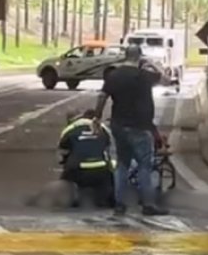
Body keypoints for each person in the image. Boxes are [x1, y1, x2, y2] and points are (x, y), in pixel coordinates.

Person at [94, 44, 168, 216]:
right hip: (140, 126)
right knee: (144, 165)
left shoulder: (113, 75)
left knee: (122, 164)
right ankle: (148, 204)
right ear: (139, 57)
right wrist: (152, 64)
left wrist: (96, 117)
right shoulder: (144, 76)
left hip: (118, 126)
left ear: (124, 56)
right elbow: (166, 80)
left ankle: (120, 204)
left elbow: (102, 96)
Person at [58, 109, 114, 208]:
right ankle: (108, 199)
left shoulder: (70, 129)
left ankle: (72, 198)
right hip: (101, 170)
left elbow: (62, 152)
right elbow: (109, 149)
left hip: (78, 171)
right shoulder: (102, 128)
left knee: (67, 173)